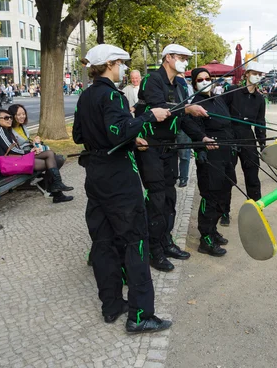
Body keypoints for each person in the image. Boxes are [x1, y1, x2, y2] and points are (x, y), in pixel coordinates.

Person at [73, 43, 172, 333]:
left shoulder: (86, 95)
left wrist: (128, 135)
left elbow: (80, 134)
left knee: (103, 243)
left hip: (96, 176)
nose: (123, 69)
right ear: (110, 64)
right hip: (119, 178)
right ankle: (140, 315)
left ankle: (112, 305)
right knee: (135, 241)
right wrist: (147, 117)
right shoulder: (111, 95)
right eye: (120, 63)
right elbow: (117, 130)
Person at [135, 44, 211, 272]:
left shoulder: (179, 83)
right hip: (150, 147)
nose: (185, 62)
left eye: (187, 58)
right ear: (168, 57)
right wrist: (187, 109)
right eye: (182, 58)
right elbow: (160, 109)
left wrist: (202, 138)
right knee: (157, 198)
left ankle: (165, 241)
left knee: (169, 198)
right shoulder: (151, 80)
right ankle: (153, 250)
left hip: (170, 147)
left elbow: (184, 116)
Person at [189, 67, 233, 256]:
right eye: (200, 79)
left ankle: (213, 230)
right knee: (211, 195)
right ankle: (205, 238)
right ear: (194, 83)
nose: (205, 81)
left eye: (208, 78)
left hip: (226, 154)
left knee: (223, 194)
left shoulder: (218, 98)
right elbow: (192, 129)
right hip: (210, 156)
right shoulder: (195, 105)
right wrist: (201, 147)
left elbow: (228, 123)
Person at [0, 109, 74, 203]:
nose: (9, 119)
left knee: (50, 154)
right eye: (6, 118)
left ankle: (57, 186)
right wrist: (29, 152)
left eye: (10, 117)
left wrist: (32, 149)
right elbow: (11, 149)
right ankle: (54, 189)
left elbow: (13, 149)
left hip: (15, 160)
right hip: (9, 163)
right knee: (55, 160)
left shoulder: (6, 130)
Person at [222, 62, 268, 225]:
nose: (257, 76)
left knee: (252, 176)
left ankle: (256, 209)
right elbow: (221, 111)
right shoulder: (233, 92)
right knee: (228, 176)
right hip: (231, 136)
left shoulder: (260, 98)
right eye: (254, 73)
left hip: (248, 138)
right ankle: (224, 212)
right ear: (246, 74)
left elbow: (260, 122)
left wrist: (262, 144)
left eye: (260, 74)